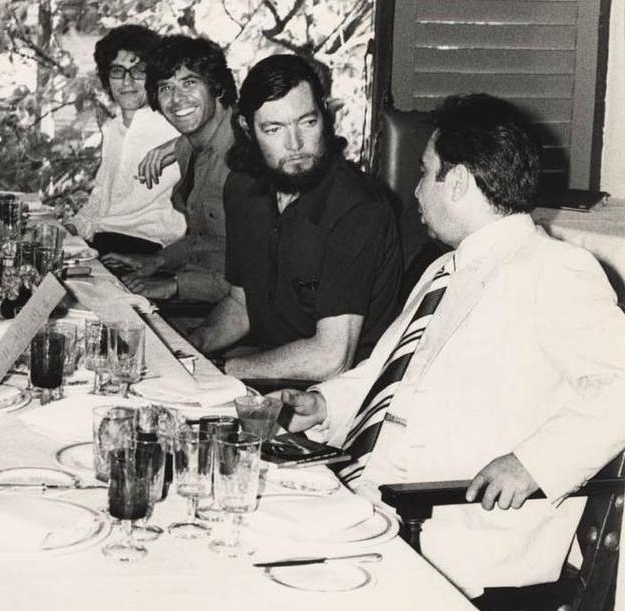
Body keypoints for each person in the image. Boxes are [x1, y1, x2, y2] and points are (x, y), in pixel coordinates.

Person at [274, 93, 625, 601]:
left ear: (457, 181)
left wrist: (534, 464)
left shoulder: (553, 270)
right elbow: (389, 374)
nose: (414, 190)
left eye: (424, 172)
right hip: (377, 500)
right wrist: (326, 402)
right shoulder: (445, 269)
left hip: (452, 525)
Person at [189, 54, 401, 379]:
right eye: (274, 129)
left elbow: (332, 358)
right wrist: (193, 346)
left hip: (335, 401)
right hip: (269, 376)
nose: (295, 144)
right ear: (247, 129)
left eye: (307, 122)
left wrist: (223, 370)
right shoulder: (243, 190)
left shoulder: (358, 208)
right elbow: (242, 305)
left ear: (326, 116)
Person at [100, 35, 236, 303]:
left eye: (189, 83)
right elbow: (205, 240)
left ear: (216, 86)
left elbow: (254, 274)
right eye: (165, 88)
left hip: (227, 308)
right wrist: (157, 262)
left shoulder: (243, 156)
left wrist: (174, 286)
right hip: (194, 284)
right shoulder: (187, 149)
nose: (177, 99)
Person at [66, 25, 183, 256]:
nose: (127, 82)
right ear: (107, 79)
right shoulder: (113, 130)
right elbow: (100, 200)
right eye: (117, 71)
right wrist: (69, 228)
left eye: (138, 70)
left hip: (149, 250)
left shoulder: (174, 131)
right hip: (103, 243)